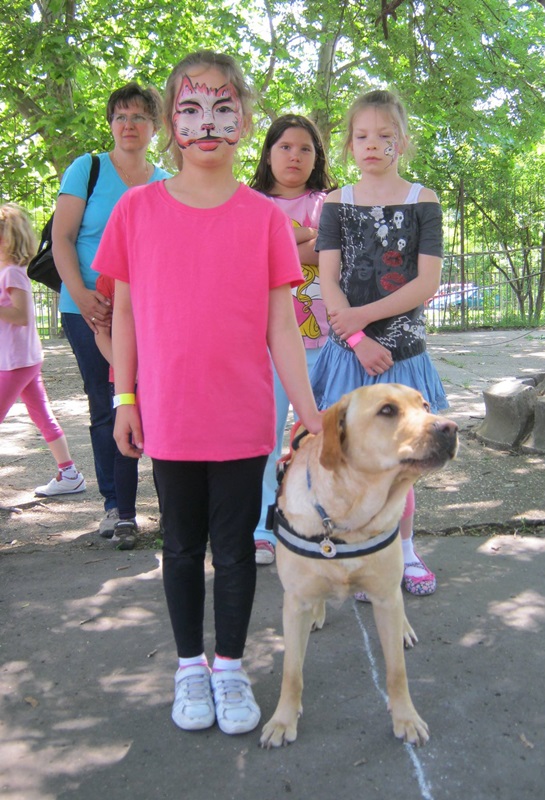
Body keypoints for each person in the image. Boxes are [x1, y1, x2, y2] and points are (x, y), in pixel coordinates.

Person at [92, 51, 322, 735]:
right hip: (169, 415)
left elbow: (282, 326)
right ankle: (190, 665)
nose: (208, 123)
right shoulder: (136, 209)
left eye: (224, 109)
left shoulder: (264, 219)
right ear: (172, 123)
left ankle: (229, 666)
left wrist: (311, 417)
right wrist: (124, 400)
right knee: (183, 546)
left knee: (237, 547)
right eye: (191, 109)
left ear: (244, 120)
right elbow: (125, 312)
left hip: (243, 418)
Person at [311, 89, 448, 598]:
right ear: (349, 144)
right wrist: (357, 338)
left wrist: (363, 320)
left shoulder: (423, 201)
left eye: (384, 136)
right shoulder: (335, 203)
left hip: (401, 356)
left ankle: (404, 551)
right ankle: (359, 552)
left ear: (402, 141)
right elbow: (328, 280)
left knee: (402, 462)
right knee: (349, 461)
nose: (372, 144)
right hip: (348, 356)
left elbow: (426, 283)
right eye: (362, 136)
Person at [51, 82, 170, 537]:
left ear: (155, 126)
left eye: (139, 117)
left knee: (156, 403)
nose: (129, 125)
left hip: (147, 314)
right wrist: (82, 295)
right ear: (111, 124)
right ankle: (116, 507)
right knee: (106, 404)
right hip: (89, 309)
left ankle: (170, 506)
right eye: (120, 116)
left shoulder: (166, 182)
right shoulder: (88, 168)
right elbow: (62, 238)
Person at [248, 114, 337, 565]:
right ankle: (262, 527)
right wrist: (307, 238)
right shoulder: (248, 203)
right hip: (267, 346)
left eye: (306, 148)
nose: (295, 156)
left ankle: (321, 524)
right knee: (265, 440)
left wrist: (284, 241)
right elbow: (252, 258)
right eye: (285, 147)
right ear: (268, 154)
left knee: (324, 440)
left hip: (330, 344)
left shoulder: (332, 202)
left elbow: (334, 250)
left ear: (317, 157)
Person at [0, 203, 85, 497]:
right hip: (20, 359)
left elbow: (21, 316)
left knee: (42, 416)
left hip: (16, 362)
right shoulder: (7, 271)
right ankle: (69, 474)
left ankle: (70, 474)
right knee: (42, 416)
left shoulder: (12, 273)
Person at [94, 272, 139, 549]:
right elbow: (101, 333)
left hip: (161, 376)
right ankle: (125, 517)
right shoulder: (108, 279)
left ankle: (169, 516)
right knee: (124, 450)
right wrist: (126, 371)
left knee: (163, 452)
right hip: (122, 382)